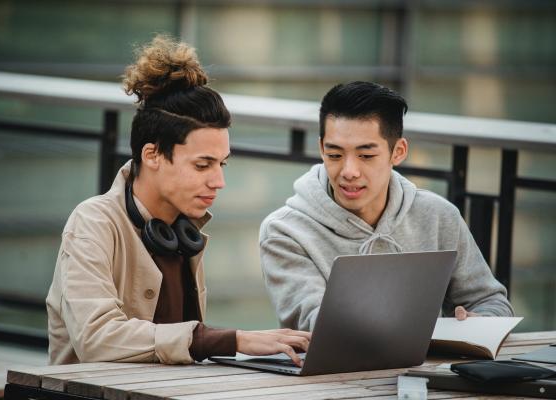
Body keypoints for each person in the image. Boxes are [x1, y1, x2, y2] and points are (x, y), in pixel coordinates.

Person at [46, 35, 310, 366]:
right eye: (203, 165)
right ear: (152, 154)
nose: (219, 181)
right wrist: (233, 340)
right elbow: (96, 338)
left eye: (222, 164)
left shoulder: (183, 231)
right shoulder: (93, 223)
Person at [259, 81, 514, 332]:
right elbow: (316, 325)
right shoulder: (285, 231)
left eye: (366, 156)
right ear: (321, 149)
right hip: (333, 373)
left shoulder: (438, 215)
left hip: (425, 368)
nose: (349, 172)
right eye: (334, 155)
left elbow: (491, 302)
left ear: (398, 151)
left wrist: (477, 322)